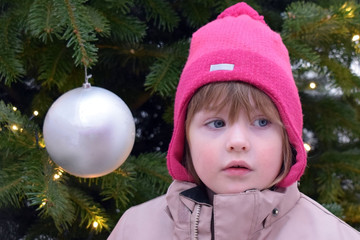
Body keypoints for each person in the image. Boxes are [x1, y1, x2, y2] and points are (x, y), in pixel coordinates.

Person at [108, 2, 360, 239]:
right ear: (185, 138)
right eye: (217, 123)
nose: (237, 142)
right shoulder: (135, 229)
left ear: (288, 138)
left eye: (261, 122)